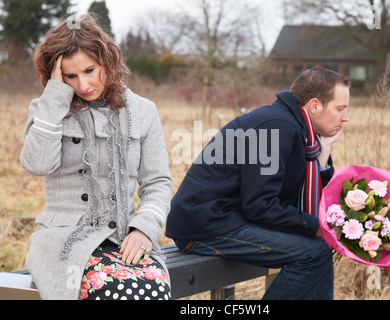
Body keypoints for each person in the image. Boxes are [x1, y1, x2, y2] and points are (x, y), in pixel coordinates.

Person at [20, 14, 172, 300]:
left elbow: (158, 183)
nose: (83, 84)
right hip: (65, 244)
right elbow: (36, 165)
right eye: (71, 76)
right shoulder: (49, 109)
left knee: (151, 288)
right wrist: (55, 97)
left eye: (90, 70)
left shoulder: (143, 110)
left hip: (125, 239)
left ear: (108, 61)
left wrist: (144, 229)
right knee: (117, 292)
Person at [166, 67, 350, 300]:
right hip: (205, 226)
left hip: (230, 218)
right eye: (340, 108)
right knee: (313, 254)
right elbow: (260, 206)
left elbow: (304, 197)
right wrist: (315, 227)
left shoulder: (301, 133)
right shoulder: (276, 126)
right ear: (315, 106)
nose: (346, 117)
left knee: (320, 248)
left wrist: (323, 154)